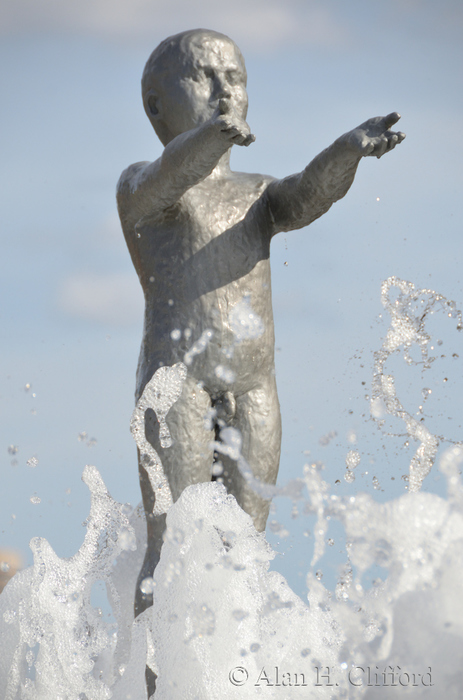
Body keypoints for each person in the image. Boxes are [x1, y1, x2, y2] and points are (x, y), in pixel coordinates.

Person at [116, 28, 405, 619]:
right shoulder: (140, 185)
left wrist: (346, 150)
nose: (226, 90)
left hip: (255, 387)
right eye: (204, 76)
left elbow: (306, 196)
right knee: (175, 553)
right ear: (155, 104)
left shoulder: (258, 193)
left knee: (245, 553)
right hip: (179, 387)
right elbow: (167, 181)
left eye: (237, 78)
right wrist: (206, 140)